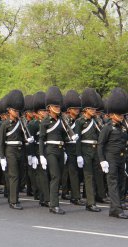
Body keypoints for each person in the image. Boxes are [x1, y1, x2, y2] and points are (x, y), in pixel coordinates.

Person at [98, 88, 128, 219]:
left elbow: (126, 142)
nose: (122, 117)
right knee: (113, 183)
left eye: (123, 115)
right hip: (111, 159)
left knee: (121, 182)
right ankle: (116, 209)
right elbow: (100, 144)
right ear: (112, 114)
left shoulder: (123, 127)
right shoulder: (107, 128)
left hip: (121, 158)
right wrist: (102, 160)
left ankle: (114, 208)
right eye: (120, 115)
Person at [39, 86, 69, 215]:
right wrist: (41, 155)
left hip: (61, 150)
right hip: (50, 150)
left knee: (60, 177)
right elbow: (41, 139)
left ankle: (53, 202)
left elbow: (64, 137)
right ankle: (54, 205)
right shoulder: (45, 121)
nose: (58, 108)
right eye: (55, 106)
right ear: (49, 107)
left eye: (58, 106)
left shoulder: (62, 121)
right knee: (55, 177)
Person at [75, 88, 103, 212]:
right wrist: (79, 155)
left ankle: (95, 198)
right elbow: (77, 139)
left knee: (97, 175)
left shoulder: (96, 121)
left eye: (94, 109)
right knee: (89, 177)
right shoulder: (80, 122)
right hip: (85, 150)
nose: (94, 111)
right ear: (86, 109)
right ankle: (90, 203)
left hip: (95, 150)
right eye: (91, 109)